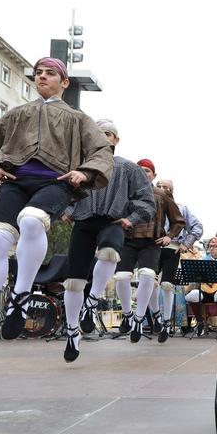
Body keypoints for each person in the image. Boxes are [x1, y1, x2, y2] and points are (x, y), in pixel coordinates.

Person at [0, 57, 113, 363]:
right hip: (15, 182)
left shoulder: (78, 118)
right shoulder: (17, 114)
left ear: (65, 81)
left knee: (31, 220)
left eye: (50, 73)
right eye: (38, 73)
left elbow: (101, 151)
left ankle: (20, 294)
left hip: (55, 183)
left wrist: (83, 172)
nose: (42, 77)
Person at [62, 119, 155, 362]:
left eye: (108, 134)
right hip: (84, 222)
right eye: (98, 133)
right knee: (73, 281)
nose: (103, 137)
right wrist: (67, 211)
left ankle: (91, 302)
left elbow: (147, 201)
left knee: (111, 253)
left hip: (112, 221)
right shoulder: (79, 166)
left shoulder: (128, 168)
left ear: (116, 140)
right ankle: (72, 331)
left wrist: (130, 219)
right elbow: (63, 191)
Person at [113, 159, 185, 344]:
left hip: (152, 243)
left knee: (148, 276)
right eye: (140, 170)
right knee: (121, 277)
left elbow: (179, 221)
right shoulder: (126, 192)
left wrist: (170, 236)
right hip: (127, 240)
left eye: (147, 171)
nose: (143, 173)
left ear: (154, 174)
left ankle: (140, 319)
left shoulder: (161, 194)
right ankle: (128, 314)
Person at [154, 179, 203, 338]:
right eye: (159, 186)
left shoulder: (182, 209)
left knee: (168, 285)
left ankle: (167, 323)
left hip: (172, 248)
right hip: (151, 248)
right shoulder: (148, 205)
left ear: (172, 190)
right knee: (148, 283)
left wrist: (185, 244)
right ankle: (154, 318)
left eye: (165, 187)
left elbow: (197, 227)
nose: (161, 189)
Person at [184, 238, 217, 338]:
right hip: (205, 290)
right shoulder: (203, 260)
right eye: (210, 246)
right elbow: (195, 278)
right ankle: (200, 322)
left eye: (215, 246)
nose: (212, 249)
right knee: (193, 295)